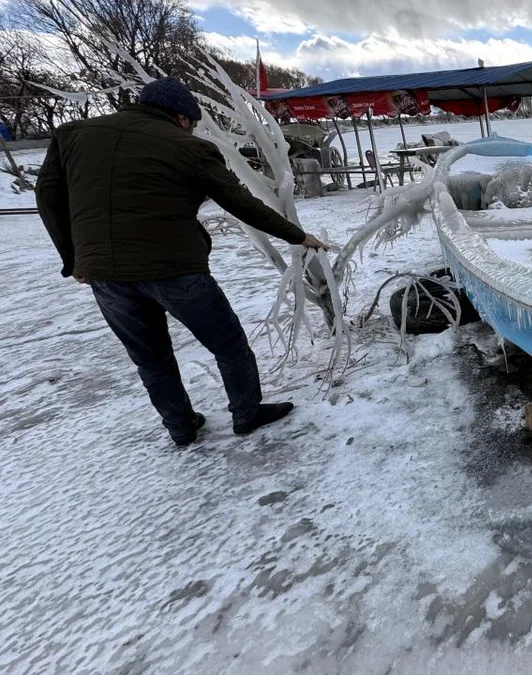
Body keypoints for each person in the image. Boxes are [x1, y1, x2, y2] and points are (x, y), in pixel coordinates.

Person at [36, 77, 330, 447]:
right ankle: (247, 412)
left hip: (104, 274)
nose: (192, 128)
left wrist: (74, 258)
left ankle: (181, 427)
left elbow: (47, 195)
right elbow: (239, 202)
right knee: (228, 343)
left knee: (150, 358)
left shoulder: (72, 135)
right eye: (191, 121)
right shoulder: (188, 147)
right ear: (179, 116)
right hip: (174, 267)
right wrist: (298, 235)